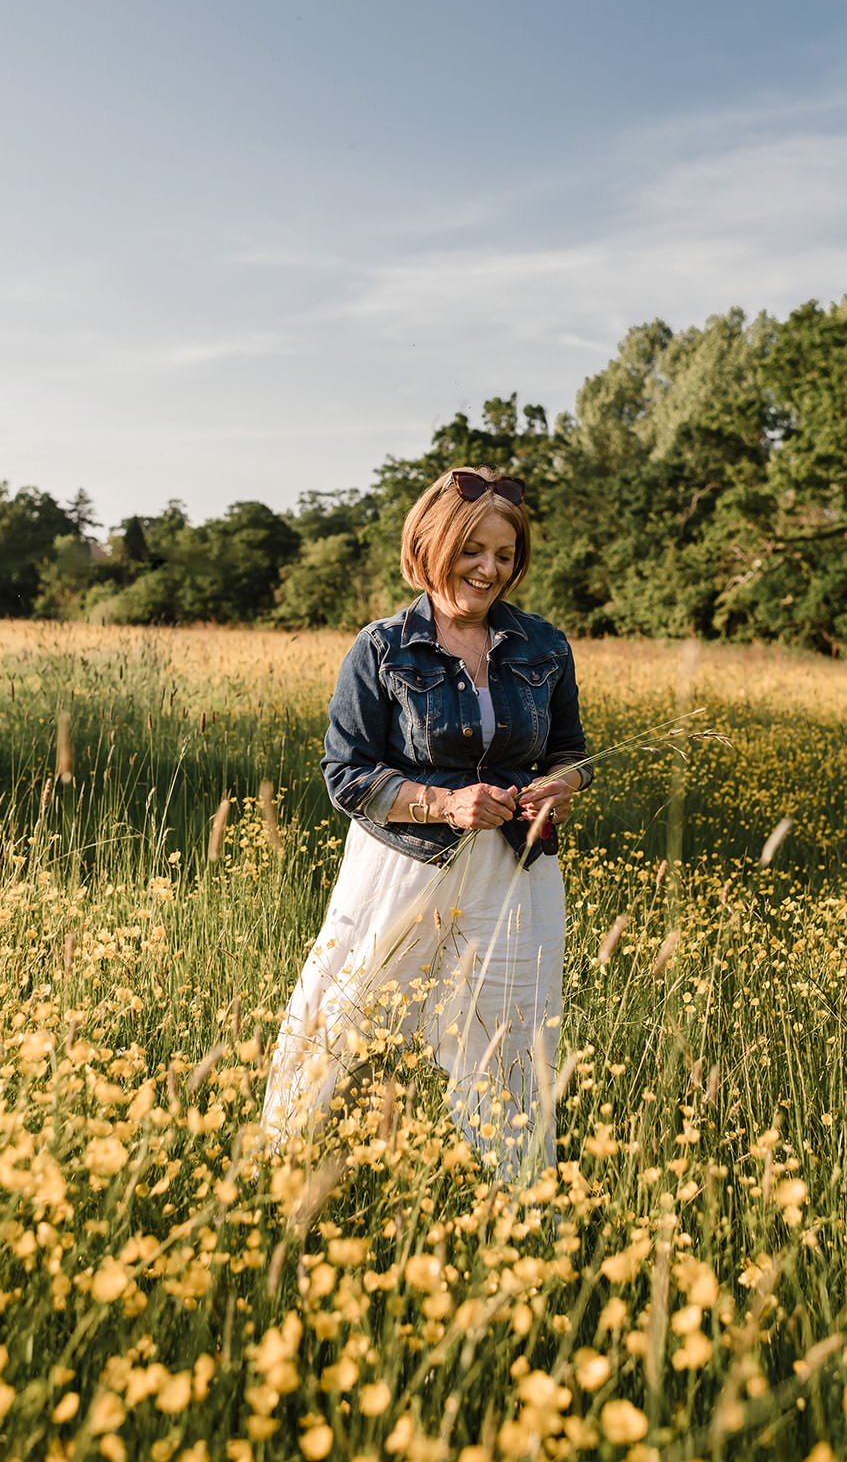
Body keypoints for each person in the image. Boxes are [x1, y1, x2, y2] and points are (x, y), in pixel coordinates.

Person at [261, 465, 592, 1181]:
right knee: (336, 1025)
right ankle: (281, 1175)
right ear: (436, 543)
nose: (489, 569)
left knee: (508, 1040)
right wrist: (444, 805)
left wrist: (559, 785)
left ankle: (522, 1197)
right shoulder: (381, 648)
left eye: (505, 556)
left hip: (515, 872)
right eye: (475, 549)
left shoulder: (545, 646)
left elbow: (571, 750)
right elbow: (346, 776)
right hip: (402, 868)